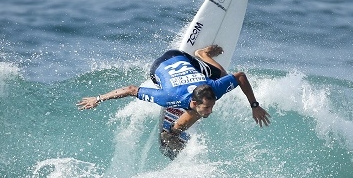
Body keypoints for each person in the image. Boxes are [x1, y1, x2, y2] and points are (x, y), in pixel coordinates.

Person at [77, 45, 270, 150]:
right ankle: (202, 53)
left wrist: (254, 105)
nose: (211, 110)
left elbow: (240, 76)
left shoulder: (213, 89)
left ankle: (173, 131)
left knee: (221, 77)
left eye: (211, 106)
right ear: (194, 102)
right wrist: (98, 98)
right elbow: (131, 89)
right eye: (207, 107)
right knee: (211, 87)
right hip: (160, 66)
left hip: (186, 61)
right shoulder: (168, 97)